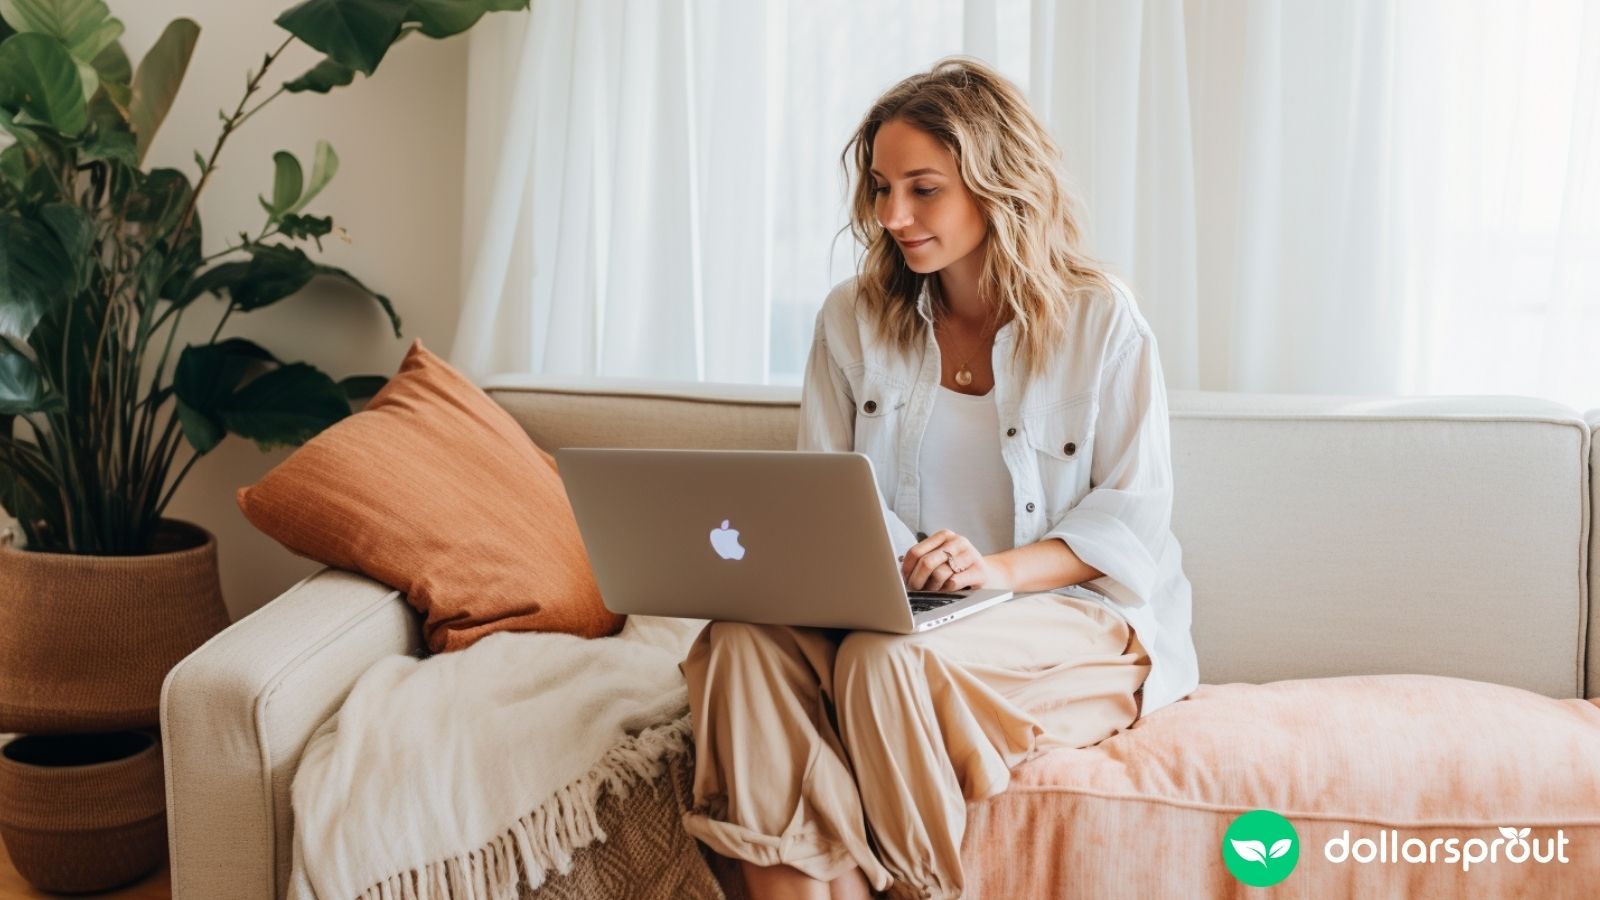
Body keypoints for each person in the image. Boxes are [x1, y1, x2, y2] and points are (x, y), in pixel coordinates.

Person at [679, 56, 1198, 900]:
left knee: (882, 665)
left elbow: (1130, 520)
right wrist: (894, 575)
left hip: (1066, 615)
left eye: (924, 189)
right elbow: (822, 498)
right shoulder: (852, 321)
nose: (893, 215)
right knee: (737, 644)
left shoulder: (1101, 320)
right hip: (898, 606)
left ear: (997, 183)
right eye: (882, 188)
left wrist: (989, 573)